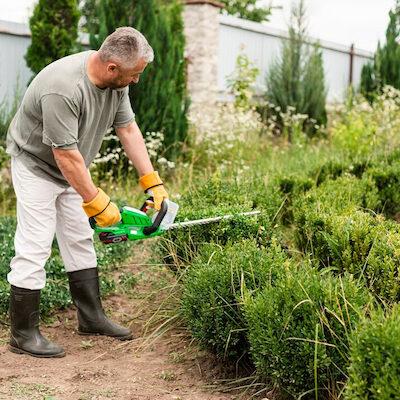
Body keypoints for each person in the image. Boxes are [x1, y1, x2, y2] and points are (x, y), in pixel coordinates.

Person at [5, 27, 168, 358]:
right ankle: (22, 334)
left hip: (72, 167)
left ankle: (91, 318)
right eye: (134, 75)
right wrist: (95, 201)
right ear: (112, 68)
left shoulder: (114, 84)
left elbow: (127, 129)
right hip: (37, 165)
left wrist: (151, 180)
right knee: (35, 244)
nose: (136, 81)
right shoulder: (63, 88)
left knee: (79, 237)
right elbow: (63, 156)